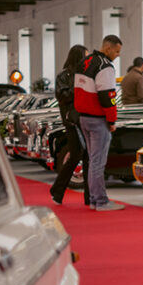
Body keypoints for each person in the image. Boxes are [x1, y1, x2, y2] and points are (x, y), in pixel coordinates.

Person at [74, 34, 124, 211]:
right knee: (98, 162)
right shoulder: (105, 67)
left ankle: (95, 199)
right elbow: (107, 95)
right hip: (97, 119)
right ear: (108, 48)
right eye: (116, 51)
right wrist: (112, 120)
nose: (117, 55)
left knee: (92, 160)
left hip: (83, 117)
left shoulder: (85, 62)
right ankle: (101, 201)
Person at [50, 44, 91, 207]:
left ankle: (87, 196)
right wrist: (79, 89)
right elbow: (62, 96)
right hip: (72, 121)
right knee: (78, 155)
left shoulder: (85, 75)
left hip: (86, 119)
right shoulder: (64, 76)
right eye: (85, 56)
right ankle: (58, 190)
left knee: (85, 155)